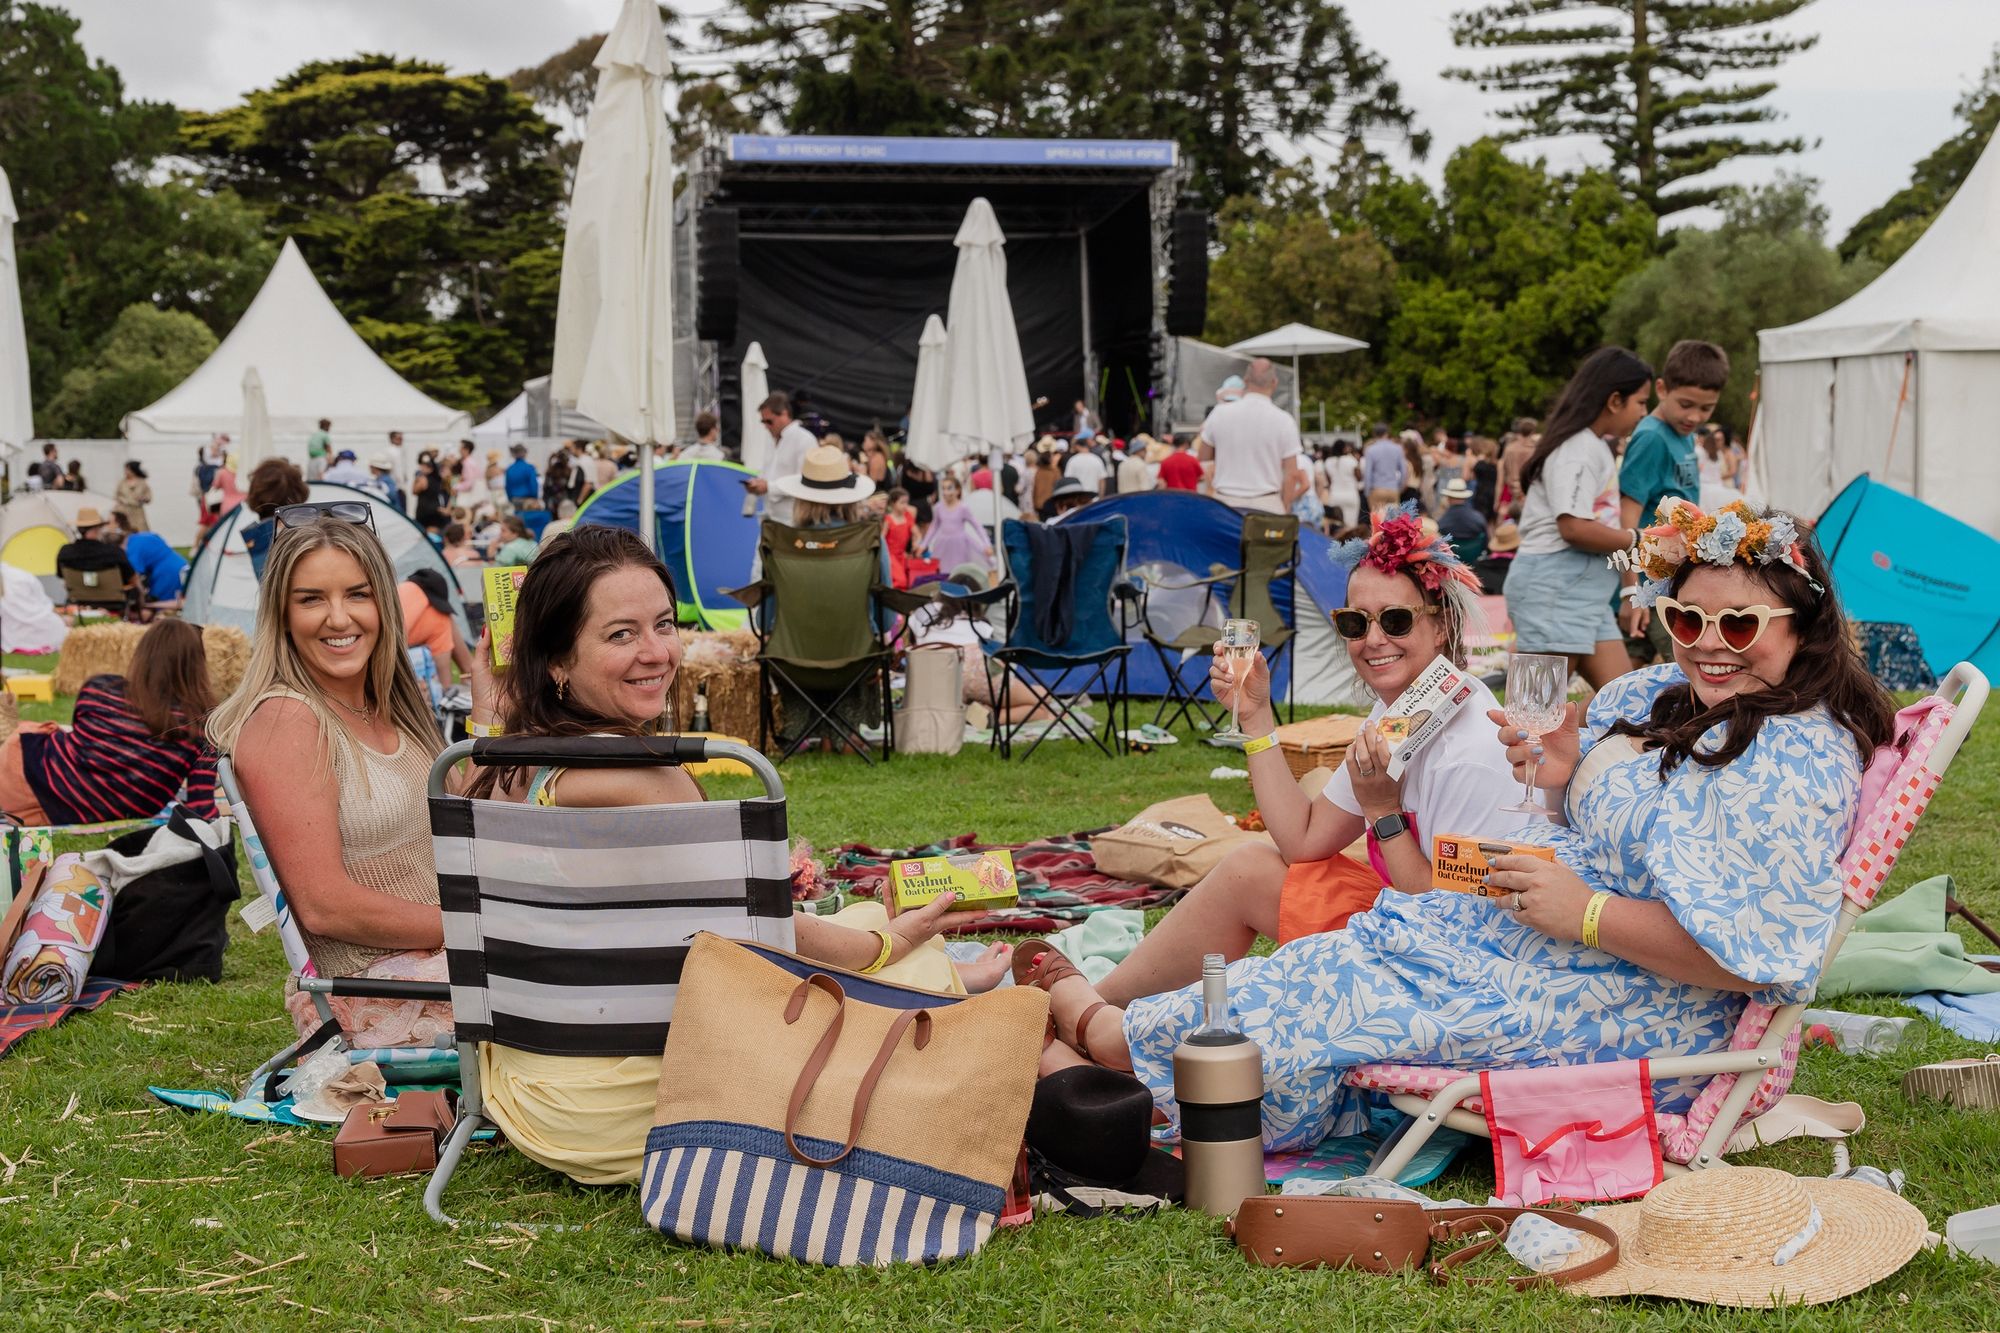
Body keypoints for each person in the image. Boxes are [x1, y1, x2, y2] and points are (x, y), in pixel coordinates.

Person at [1023, 512, 1892, 1155]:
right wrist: (1562, 777)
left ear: (1803, 625)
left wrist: (1583, 913)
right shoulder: (1677, 703)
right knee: (1336, 966)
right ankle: (1113, 1035)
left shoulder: (1790, 763)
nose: (1709, 645)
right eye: (1686, 619)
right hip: (1525, 942)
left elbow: (1760, 958)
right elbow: (1311, 842)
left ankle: (1098, 1033)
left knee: (1323, 995)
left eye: (1738, 623)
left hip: (1620, 997)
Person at [460, 525, 1004, 1183]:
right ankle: (945, 986)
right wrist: (892, 945)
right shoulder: (648, 783)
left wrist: (489, 704)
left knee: (859, 917)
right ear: (557, 661)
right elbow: (770, 940)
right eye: (620, 634)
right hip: (633, 1104)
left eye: (663, 623)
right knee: (892, 950)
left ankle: (930, 970)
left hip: (532, 1088)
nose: (656, 651)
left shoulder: (497, 772)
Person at [1089, 508, 1518, 1008]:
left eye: (1396, 620)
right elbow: (1304, 840)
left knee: (1249, 873)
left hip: (1456, 969)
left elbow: (1446, 917)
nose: (1373, 640)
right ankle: (1097, 1006)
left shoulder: (1470, 751)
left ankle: (1089, 1013)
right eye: (1356, 623)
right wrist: (1256, 721)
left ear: (1442, 626)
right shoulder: (1402, 714)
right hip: (1414, 929)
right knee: (1248, 866)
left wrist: (1382, 811)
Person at [209, 518, 455, 1048]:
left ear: (384, 605)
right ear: (283, 614)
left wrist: (489, 705)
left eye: (357, 594)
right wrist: (471, 925)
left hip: (444, 961)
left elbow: (471, 813)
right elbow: (324, 905)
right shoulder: (286, 720)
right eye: (312, 599)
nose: (338, 617)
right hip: (371, 989)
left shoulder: (391, 706)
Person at [1506, 346, 1653, 692]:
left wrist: (1630, 587)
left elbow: (1606, 524)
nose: (1644, 413)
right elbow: (1573, 527)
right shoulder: (1577, 449)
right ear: (1615, 400)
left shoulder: (1595, 447)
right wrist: (1642, 540)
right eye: (1641, 402)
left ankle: (1569, 736)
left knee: (1623, 701)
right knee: (1533, 713)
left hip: (1583, 593)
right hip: (1555, 587)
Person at [1, 619, 218, 825]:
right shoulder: (201, 727)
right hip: (88, 806)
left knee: (33, 730)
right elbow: (202, 806)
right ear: (198, 665)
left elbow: (82, 741)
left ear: (142, 654)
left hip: (38, 782)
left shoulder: (100, 688)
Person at [1619, 340, 1727, 669]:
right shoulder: (1652, 437)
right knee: (1690, 668)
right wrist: (1630, 594)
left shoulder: (1686, 434)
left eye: (1706, 409)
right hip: (1648, 586)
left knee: (1626, 684)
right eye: (1685, 404)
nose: (1694, 416)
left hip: (1673, 579)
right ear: (1662, 389)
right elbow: (1628, 521)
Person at [1196, 358, 1305, 515]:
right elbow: (1291, 473)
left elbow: (1203, 456)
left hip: (1226, 504)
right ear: (1274, 383)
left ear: (1245, 380)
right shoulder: (1284, 421)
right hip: (1267, 504)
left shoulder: (1219, 413)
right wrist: (1286, 504)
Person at [742, 391, 816, 525]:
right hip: (770, 518)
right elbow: (769, 473)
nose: (766, 426)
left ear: (784, 414)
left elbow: (805, 481)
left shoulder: (805, 440)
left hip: (793, 521)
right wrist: (757, 484)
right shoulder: (771, 440)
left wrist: (769, 487)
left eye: (769, 421)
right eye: (763, 421)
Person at [398, 567, 474, 682]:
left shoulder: (400, 589)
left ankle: (469, 672)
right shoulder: (439, 618)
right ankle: (469, 673)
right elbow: (443, 680)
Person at [54, 506, 137, 604]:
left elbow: (61, 576)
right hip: (113, 603)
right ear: (98, 528)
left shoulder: (65, 552)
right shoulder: (114, 552)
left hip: (79, 603)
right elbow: (133, 579)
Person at [921, 474, 992, 575]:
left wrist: (987, 544)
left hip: (959, 545)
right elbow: (934, 526)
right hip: (942, 544)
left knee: (959, 572)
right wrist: (924, 544)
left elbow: (977, 526)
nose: (946, 492)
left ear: (958, 490)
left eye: (949, 488)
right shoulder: (938, 507)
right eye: (943, 489)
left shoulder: (963, 508)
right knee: (942, 572)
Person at [116, 515, 189, 604]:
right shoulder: (145, 535)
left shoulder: (132, 547)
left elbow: (134, 574)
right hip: (181, 564)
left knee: (161, 606)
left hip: (166, 574)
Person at [1498, 417, 1539, 517]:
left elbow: (1503, 472)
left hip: (1510, 489)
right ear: (1532, 431)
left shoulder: (1509, 448)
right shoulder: (1534, 449)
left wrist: (1498, 498)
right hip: (1528, 490)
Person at [1435, 477, 1486, 553]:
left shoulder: (1441, 523)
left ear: (1448, 498)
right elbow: (1485, 543)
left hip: (1450, 561)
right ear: (1465, 497)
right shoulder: (1479, 519)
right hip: (1474, 559)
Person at [882, 487, 918, 588]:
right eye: (902, 503)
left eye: (906, 502)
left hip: (902, 555)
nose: (905, 506)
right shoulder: (888, 520)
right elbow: (882, 539)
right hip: (890, 555)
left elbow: (917, 533)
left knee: (909, 580)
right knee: (900, 580)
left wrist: (916, 542)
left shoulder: (907, 516)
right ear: (893, 503)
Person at [1360, 421, 1405, 500]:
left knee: (1378, 512)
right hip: (1393, 488)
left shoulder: (1370, 450)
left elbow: (1368, 473)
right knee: (1392, 512)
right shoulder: (1397, 448)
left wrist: (1367, 492)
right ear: (1387, 433)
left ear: (1374, 433)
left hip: (1377, 489)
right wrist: (1399, 487)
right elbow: (1403, 471)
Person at [1322, 440, 1362, 528]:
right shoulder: (1351, 460)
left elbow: (1329, 481)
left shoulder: (1328, 461)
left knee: (1337, 526)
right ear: (1344, 448)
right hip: (1351, 494)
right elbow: (1359, 477)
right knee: (1351, 526)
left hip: (1335, 495)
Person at [1467, 435, 1500, 521]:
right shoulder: (1497, 464)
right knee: (1491, 520)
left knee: (1480, 518)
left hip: (1481, 492)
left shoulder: (1480, 463)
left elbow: (1471, 475)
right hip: (1491, 492)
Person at [114, 461, 152, 532]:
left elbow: (149, 497)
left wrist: (143, 498)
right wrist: (122, 500)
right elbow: (116, 495)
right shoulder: (122, 482)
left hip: (137, 511)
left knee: (140, 530)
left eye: (128, 469)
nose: (126, 472)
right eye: (125, 469)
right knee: (124, 530)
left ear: (133, 470)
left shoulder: (142, 482)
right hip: (124, 511)